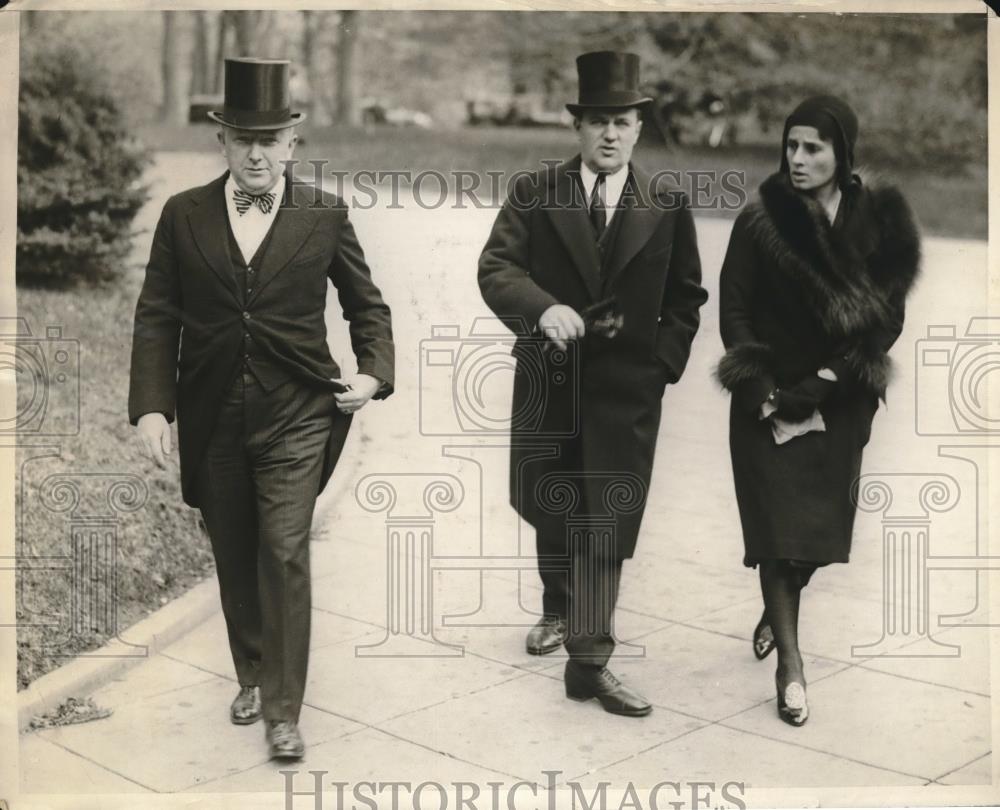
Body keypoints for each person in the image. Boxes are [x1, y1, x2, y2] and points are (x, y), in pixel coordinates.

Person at [128, 58, 394, 759]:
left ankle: (283, 707)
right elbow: (157, 315)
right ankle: (250, 669)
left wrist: (372, 374)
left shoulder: (325, 214)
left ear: (292, 145)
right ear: (221, 141)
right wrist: (153, 407)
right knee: (237, 551)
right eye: (243, 137)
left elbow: (367, 306)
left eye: (270, 138)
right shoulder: (182, 215)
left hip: (299, 413)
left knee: (284, 551)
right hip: (213, 411)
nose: (256, 152)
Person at [478, 51, 707, 717]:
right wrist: (539, 306)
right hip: (551, 384)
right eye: (597, 121)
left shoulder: (664, 203)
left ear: (638, 129)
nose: (610, 134)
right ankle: (559, 607)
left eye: (623, 122)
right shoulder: (536, 193)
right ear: (576, 127)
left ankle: (590, 660)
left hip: (626, 395)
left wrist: (660, 367)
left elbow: (687, 298)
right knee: (553, 506)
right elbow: (496, 267)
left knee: (605, 525)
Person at [715, 95, 920, 726]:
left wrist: (830, 378)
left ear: (843, 155)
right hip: (769, 397)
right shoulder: (761, 220)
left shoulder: (880, 221)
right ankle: (792, 668)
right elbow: (735, 308)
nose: (797, 159)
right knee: (777, 533)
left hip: (840, 398)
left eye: (813, 148)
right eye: (791, 146)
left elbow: (887, 316)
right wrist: (762, 387)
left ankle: (780, 610)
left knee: (812, 537)